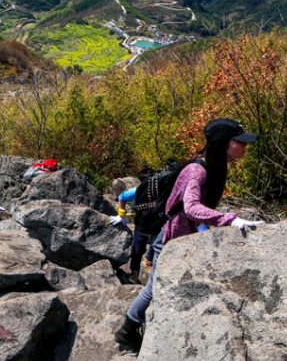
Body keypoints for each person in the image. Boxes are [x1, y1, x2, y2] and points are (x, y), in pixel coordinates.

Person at [114, 118, 265, 352]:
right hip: (171, 241)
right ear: (223, 143)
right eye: (240, 142)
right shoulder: (197, 170)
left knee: (162, 289)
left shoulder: (212, 166)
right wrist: (231, 219)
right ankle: (127, 331)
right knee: (154, 289)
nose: (245, 146)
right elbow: (192, 207)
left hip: (184, 240)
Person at [109, 184, 155, 284]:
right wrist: (121, 214)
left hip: (153, 220)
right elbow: (122, 197)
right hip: (143, 221)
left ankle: (147, 260)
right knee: (140, 245)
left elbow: (122, 197)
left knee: (151, 243)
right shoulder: (139, 189)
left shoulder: (157, 187)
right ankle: (135, 271)